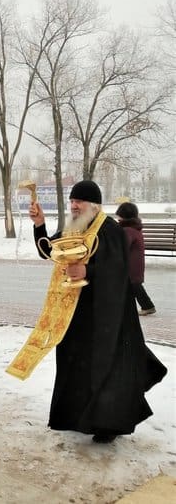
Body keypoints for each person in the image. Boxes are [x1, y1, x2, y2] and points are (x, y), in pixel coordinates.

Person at [27, 180, 166, 443]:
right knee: (75, 366)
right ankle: (75, 417)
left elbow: (117, 271)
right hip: (76, 315)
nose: (74, 205)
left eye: (79, 201)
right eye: (72, 201)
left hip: (107, 316)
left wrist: (87, 271)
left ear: (94, 205)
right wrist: (39, 224)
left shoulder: (110, 229)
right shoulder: (74, 228)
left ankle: (106, 426)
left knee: (105, 369)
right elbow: (50, 251)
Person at [116, 201, 156, 316]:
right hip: (135, 264)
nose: (118, 218)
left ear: (123, 216)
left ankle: (147, 306)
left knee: (134, 286)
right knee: (135, 286)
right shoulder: (134, 228)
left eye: (119, 215)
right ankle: (147, 306)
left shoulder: (128, 230)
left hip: (131, 266)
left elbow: (123, 246)